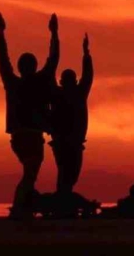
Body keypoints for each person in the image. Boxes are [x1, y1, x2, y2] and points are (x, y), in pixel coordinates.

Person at [0, 12, 59, 208]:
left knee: (30, 174)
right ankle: (18, 208)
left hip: (20, 135)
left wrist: (1, 34)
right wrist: (54, 34)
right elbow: (53, 59)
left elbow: (3, 61)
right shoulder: (31, 82)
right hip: (29, 135)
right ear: (33, 66)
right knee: (30, 174)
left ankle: (24, 207)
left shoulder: (13, 82)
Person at [50, 33, 94, 195]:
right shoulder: (67, 93)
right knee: (68, 173)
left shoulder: (69, 93)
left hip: (68, 141)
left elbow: (88, 76)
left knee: (68, 173)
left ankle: (63, 198)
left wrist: (86, 54)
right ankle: (62, 200)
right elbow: (88, 76)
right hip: (66, 141)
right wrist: (86, 54)